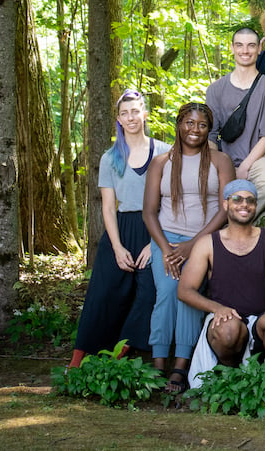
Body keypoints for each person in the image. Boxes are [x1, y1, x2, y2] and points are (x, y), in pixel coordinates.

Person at [70, 90, 171, 368]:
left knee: (150, 291)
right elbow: (108, 207)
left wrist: (155, 244)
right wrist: (116, 247)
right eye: (125, 113)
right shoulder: (109, 158)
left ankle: (122, 350)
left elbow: (171, 200)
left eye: (136, 111)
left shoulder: (163, 151)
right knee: (104, 291)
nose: (131, 118)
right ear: (119, 119)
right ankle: (81, 359)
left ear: (144, 114)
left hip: (156, 226)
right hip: (121, 228)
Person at [143, 102, 235, 394]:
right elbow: (149, 212)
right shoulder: (161, 162)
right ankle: (158, 364)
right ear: (179, 124)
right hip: (166, 239)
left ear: (210, 129)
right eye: (189, 123)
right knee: (168, 292)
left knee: (190, 294)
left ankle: (181, 365)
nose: (195, 130)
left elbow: (224, 210)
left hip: (204, 241)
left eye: (202, 125)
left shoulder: (221, 161)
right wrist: (167, 249)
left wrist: (192, 245)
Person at [179, 180, 265, 388]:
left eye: (250, 200)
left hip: (261, 320)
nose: (244, 205)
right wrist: (217, 308)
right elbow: (185, 290)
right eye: (237, 199)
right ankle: (231, 379)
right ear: (225, 204)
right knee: (229, 330)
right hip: (227, 320)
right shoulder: (207, 243)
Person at [206, 28, 265, 211]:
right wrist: (219, 165)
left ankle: (235, 224)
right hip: (224, 158)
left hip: (257, 159)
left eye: (251, 46)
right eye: (239, 45)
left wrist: (245, 167)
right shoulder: (215, 90)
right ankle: (216, 230)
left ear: (260, 48)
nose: (245, 51)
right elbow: (211, 136)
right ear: (232, 48)